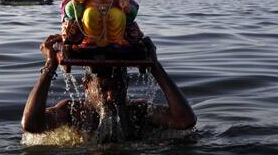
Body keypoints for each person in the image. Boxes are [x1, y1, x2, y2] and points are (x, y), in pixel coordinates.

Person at [21, 35, 196, 139]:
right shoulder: (73, 113)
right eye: (104, 88)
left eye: (118, 87)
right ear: (87, 86)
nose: (112, 96)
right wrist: (50, 67)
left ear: (127, 85)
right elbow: (31, 125)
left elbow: (185, 121)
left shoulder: (137, 112)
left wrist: (155, 67)